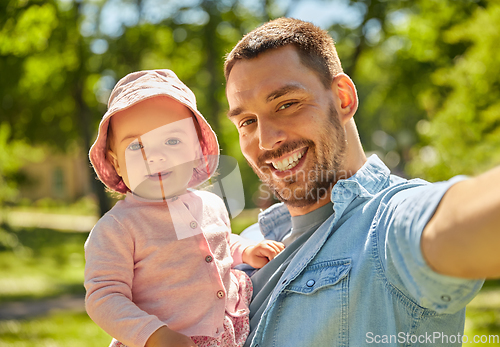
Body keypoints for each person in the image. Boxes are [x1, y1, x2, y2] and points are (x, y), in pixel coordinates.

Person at [224, 18, 498, 346]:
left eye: (286, 104)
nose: (266, 140)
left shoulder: (387, 224)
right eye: (247, 121)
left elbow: (460, 220)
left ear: (342, 98)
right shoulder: (242, 245)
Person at [84, 69, 284, 347]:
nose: (155, 156)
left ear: (195, 151)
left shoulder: (210, 204)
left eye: (172, 141)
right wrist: (154, 335)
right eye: (136, 146)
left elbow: (220, 243)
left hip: (225, 333)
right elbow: (104, 296)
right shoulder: (118, 228)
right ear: (116, 162)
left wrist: (245, 251)